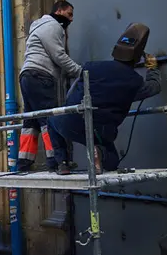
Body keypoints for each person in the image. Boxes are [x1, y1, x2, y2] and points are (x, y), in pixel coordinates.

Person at [48, 23, 161, 175]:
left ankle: (62, 163)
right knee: (112, 163)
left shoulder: (91, 67)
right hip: (101, 132)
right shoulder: (134, 82)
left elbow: (71, 93)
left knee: (51, 119)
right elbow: (154, 87)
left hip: (72, 122)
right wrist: (152, 69)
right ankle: (99, 152)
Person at [17, 0, 83, 172]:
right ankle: (59, 161)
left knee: (31, 121)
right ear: (59, 11)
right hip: (41, 75)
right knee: (51, 118)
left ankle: (24, 162)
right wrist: (80, 72)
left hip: (27, 75)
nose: (72, 19)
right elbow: (59, 55)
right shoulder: (53, 26)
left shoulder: (38, 26)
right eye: (69, 14)